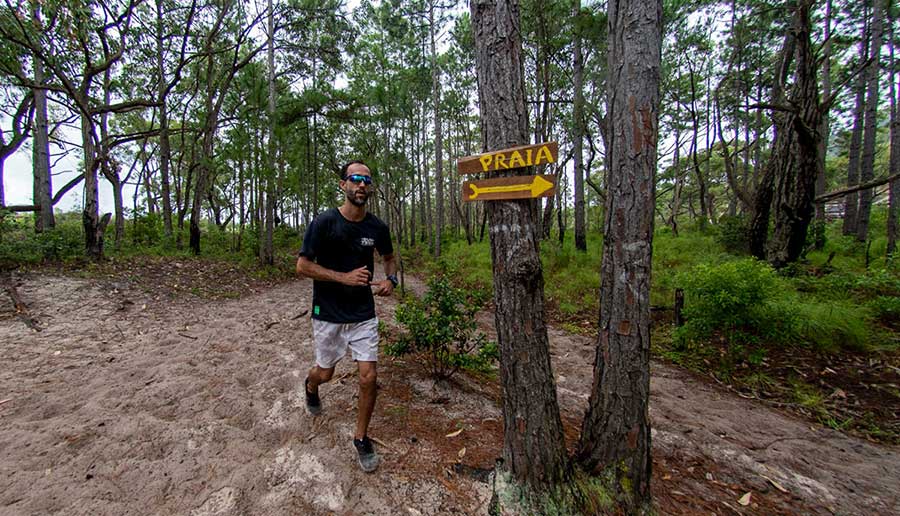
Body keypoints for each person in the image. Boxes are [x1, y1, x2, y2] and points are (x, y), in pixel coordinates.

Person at [296, 160, 398, 473]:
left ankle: (360, 438)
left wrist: (389, 281)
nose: (362, 185)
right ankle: (311, 387)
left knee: (369, 377)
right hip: (327, 313)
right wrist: (343, 277)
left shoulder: (376, 227)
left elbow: (390, 258)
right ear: (343, 185)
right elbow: (302, 266)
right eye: (355, 179)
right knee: (325, 373)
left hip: (363, 313)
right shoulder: (324, 222)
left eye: (367, 180)